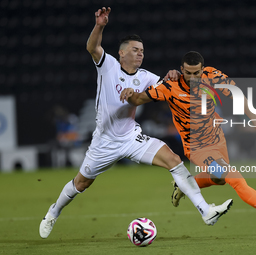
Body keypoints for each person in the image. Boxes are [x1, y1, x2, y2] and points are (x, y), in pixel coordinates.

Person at [39, 8, 233, 239]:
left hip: (132, 137)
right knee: (81, 184)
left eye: (142, 50)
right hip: (105, 141)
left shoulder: (147, 77)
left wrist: (173, 74)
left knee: (174, 160)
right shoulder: (107, 65)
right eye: (135, 50)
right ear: (121, 53)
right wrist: (100, 25)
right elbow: (92, 48)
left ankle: (206, 211)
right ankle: (53, 212)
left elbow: (170, 85)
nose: (140, 54)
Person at [120, 51, 256, 232]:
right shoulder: (169, 86)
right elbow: (139, 99)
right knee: (234, 178)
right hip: (197, 147)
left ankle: (184, 184)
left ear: (203, 69)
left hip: (217, 139)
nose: (192, 77)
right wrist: (131, 92)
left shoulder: (212, 75)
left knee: (218, 179)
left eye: (197, 73)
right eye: (188, 73)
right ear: (182, 70)